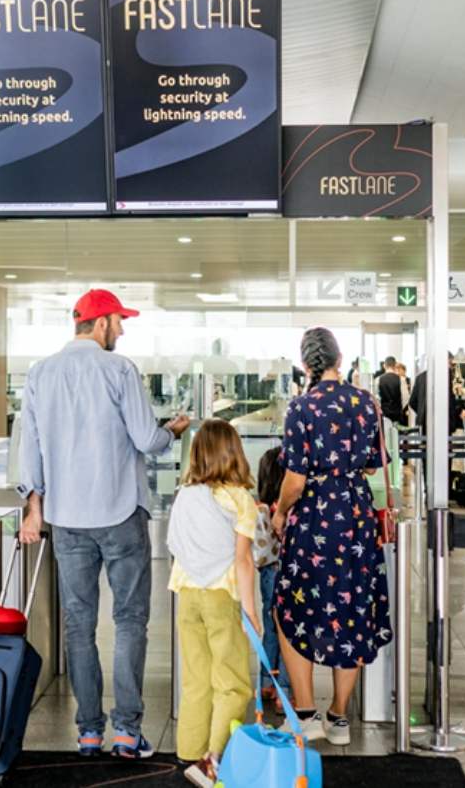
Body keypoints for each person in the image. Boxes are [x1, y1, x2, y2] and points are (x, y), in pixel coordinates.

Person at [18, 289, 190, 760]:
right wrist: (172, 431)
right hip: (118, 514)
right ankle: (126, 732)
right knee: (130, 620)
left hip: (67, 520)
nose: (122, 329)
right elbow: (146, 439)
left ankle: (88, 732)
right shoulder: (119, 370)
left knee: (79, 626)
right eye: (118, 320)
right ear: (99, 324)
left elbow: (28, 448)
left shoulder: (40, 374)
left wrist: (34, 509)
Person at [271, 327, 392, 747]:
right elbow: (375, 467)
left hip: (312, 521)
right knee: (354, 606)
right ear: (340, 360)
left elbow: (294, 478)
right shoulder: (366, 403)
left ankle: (306, 714)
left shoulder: (300, 407)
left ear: (306, 364)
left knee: (291, 606)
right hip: (355, 516)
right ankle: (340, 717)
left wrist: (280, 511)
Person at [167, 419, 259, 788]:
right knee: (233, 683)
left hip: (187, 595)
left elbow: (174, 545)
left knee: (196, 678)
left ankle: (188, 752)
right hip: (223, 596)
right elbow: (243, 561)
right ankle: (214, 760)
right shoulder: (241, 499)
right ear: (234, 452)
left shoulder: (185, 494)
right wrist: (252, 613)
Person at [254, 447, 291, 715]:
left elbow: (258, 550)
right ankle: (286, 691)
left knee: (270, 627)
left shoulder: (259, 509)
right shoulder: (292, 508)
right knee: (290, 632)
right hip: (291, 573)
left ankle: (266, 683)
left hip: (267, 573)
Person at [377, 356, 405, 427]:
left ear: (384, 366)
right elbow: (405, 398)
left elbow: (377, 398)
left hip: (384, 414)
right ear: (395, 365)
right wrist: (399, 407)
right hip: (397, 415)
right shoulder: (401, 379)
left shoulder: (378, 379)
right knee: (397, 436)